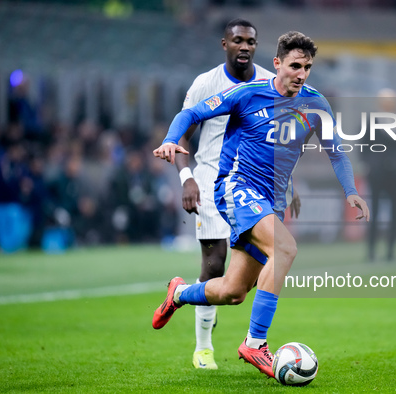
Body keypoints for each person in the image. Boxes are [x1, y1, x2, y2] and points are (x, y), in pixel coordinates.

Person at [152, 31, 369, 378]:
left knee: (233, 291)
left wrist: (350, 190)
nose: (301, 74)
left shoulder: (316, 104)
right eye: (295, 65)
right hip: (236, 188)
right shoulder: (247, 94)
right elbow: (191, 114)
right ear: (277, 64)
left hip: (270, 201)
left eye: (308, 67)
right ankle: (255, 344)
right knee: (285, 249)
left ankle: (178, 294)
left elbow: (337, 151)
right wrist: (170, 140)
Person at [174, 18, 277, 370]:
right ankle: (204, 347)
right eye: (238, 41)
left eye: (250, 41)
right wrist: (187, 178)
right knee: (214, 264)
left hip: (253, 185)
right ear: (225, 44)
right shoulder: (206, 83)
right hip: (208, 181)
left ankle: (203, 300)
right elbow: (180, 133)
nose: (244, 46)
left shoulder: (268, 82)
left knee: (239, 286)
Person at [361, 89, 396, 262]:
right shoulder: (371, 122)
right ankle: (371, 250)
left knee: (395, 213)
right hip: (377, 174)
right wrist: (370, 166)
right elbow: (364, 146)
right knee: (373, 212)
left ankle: (391, 250)